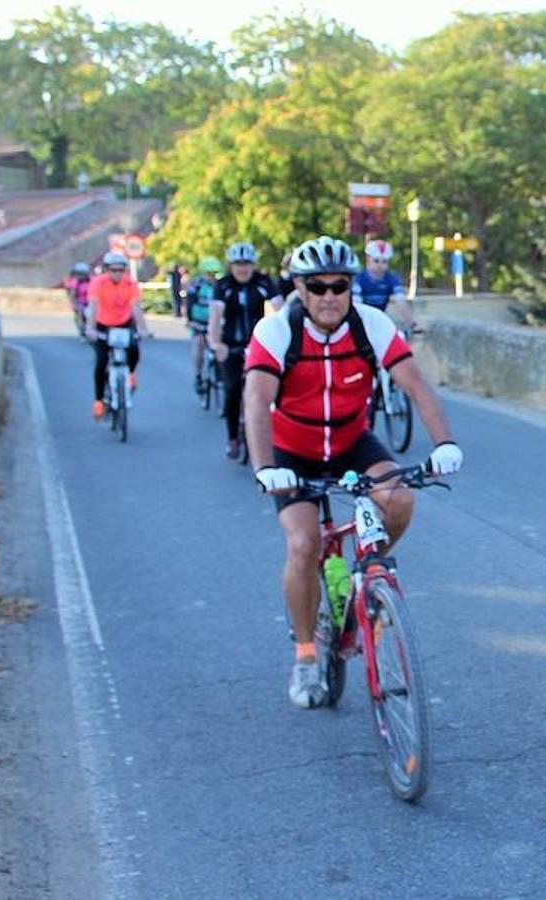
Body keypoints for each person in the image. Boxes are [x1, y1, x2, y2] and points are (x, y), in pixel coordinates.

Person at [244, 236, 463, 709]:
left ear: (350, 286)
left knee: (401, 498)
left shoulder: (372, 325)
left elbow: (417, 386)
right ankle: (305, 656)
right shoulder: (277, 332)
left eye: (339, 285)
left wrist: (444, 443)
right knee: (303, 544)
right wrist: (265, 469)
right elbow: (257, 404)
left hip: (349, 440)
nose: (329, 295)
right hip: (292, 451)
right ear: (300, 289)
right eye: (317, 286)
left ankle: (369, 581)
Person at [208, 242, 283, 458]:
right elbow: (215, 318)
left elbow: (280, 311)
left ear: (253, 265)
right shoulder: (223, 285)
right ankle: (233, 437)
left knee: (272, 391)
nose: (242, 269)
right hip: (230, 346)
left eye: (247, 264)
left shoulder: (263, 281)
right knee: (232, 390)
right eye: (238, 264)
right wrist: (216, 344)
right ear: (231, 265)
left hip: (259, 346)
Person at [84, 251, 152, 419]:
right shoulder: (97, 284)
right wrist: (90, 328)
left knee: (134, 350)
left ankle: (130, 374)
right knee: (101, 362)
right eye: (113, 270)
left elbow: (136, 308)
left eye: (120, 270)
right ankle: (99, 401)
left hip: (124, 323)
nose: (117, 274)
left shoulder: (130, 284)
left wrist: (144, 330)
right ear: (107, 270)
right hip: (103, 325)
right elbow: (93, 307)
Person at [354, 240, 418, 330]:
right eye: (376, 261)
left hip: (380, 320)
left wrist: (412, 324)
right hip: (361, 321)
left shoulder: (391, 278)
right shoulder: (358, 279)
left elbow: (400, 301)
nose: (380, 265)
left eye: (384, 261)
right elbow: (356, 305)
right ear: (368, 259)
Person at [185, 257, 222, 393]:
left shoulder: (220, 286)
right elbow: (189, 303)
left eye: (214, 273)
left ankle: (220, 373)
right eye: (209, 273)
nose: (212, 277)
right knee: (198, 344)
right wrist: (190, 320)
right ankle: (198, 376)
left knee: (220, 345)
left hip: (216, 321)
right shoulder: (196, 285)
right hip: (199, 321)